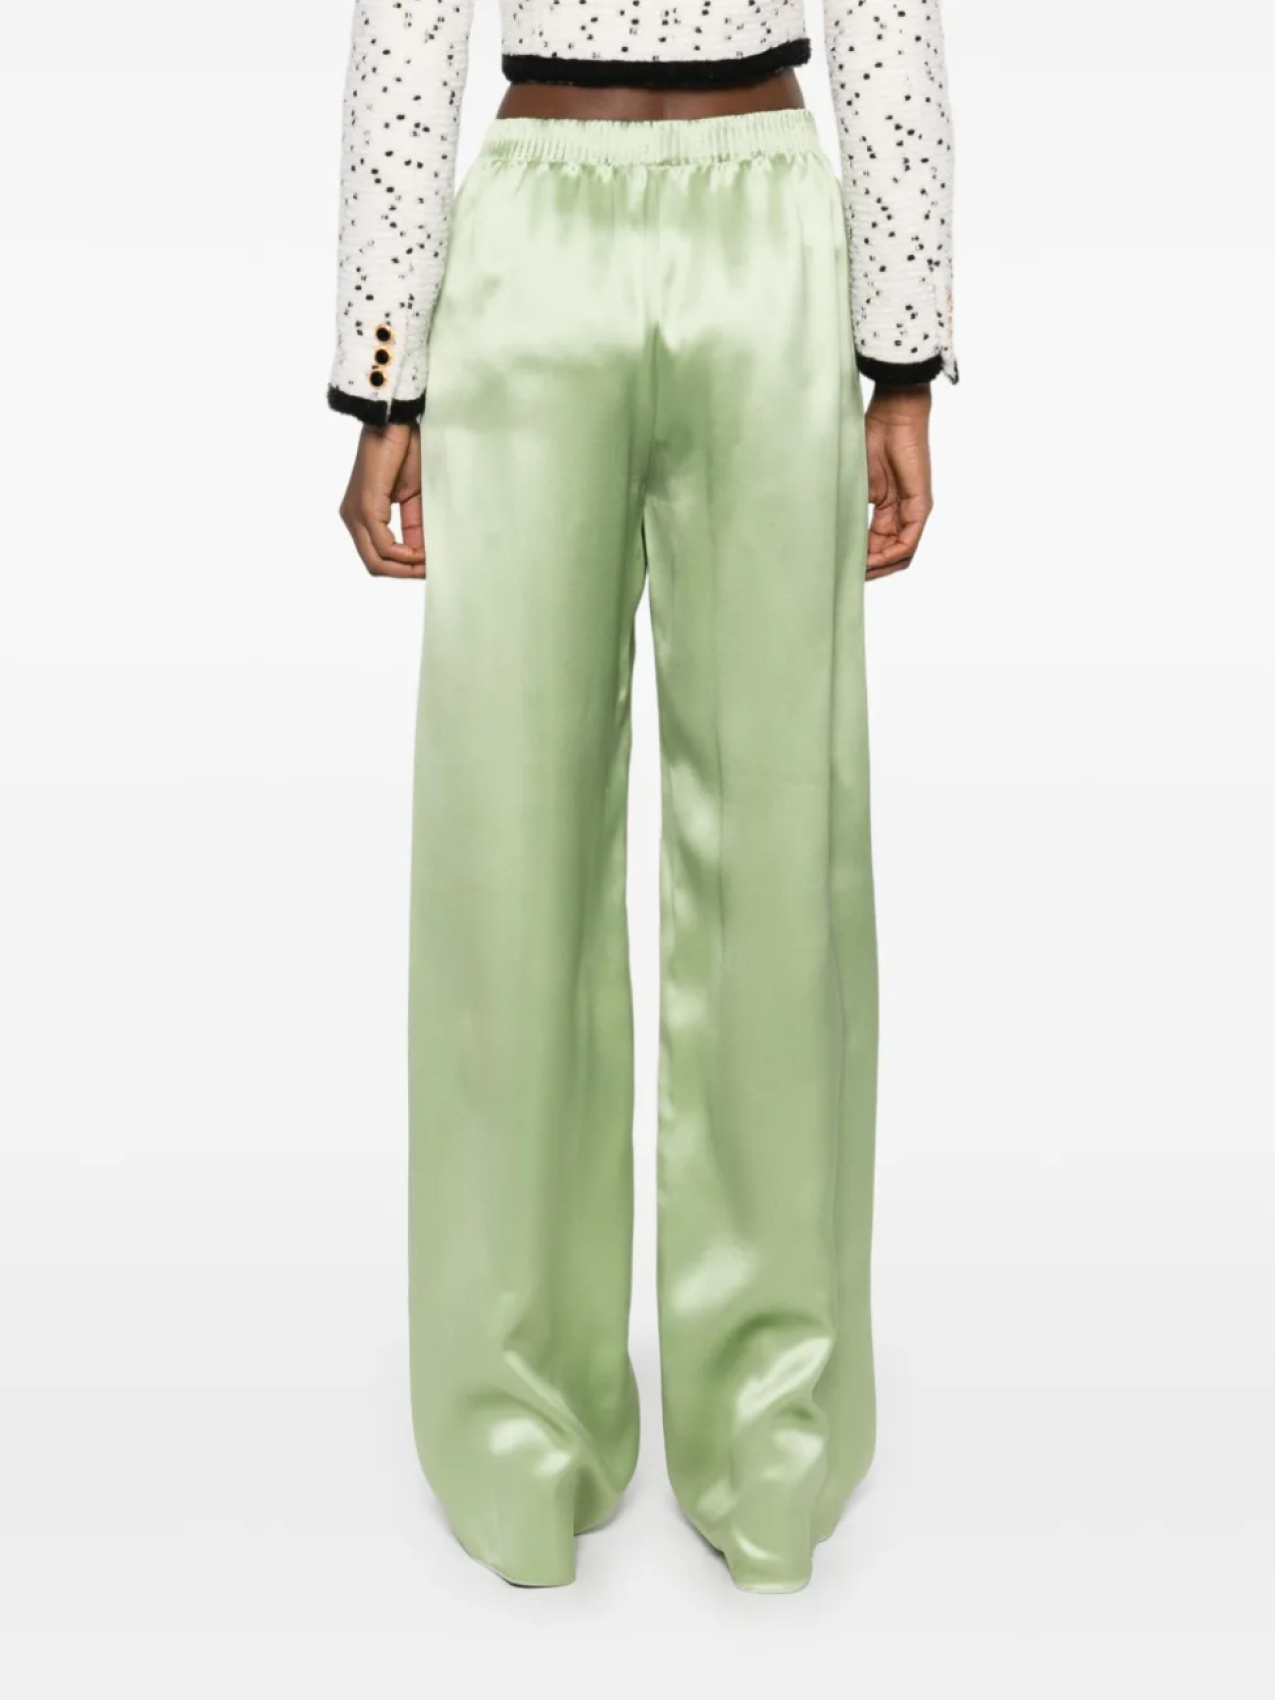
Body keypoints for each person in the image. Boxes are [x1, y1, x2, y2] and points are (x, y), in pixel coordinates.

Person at [331, 0, 956, 1593]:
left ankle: (534, 1435)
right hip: (721, 244)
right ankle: (765, 1435)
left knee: (538, 847)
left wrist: (387, 375)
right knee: (738, 849)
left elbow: (410, 33)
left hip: (579, 243)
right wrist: (900, 362)